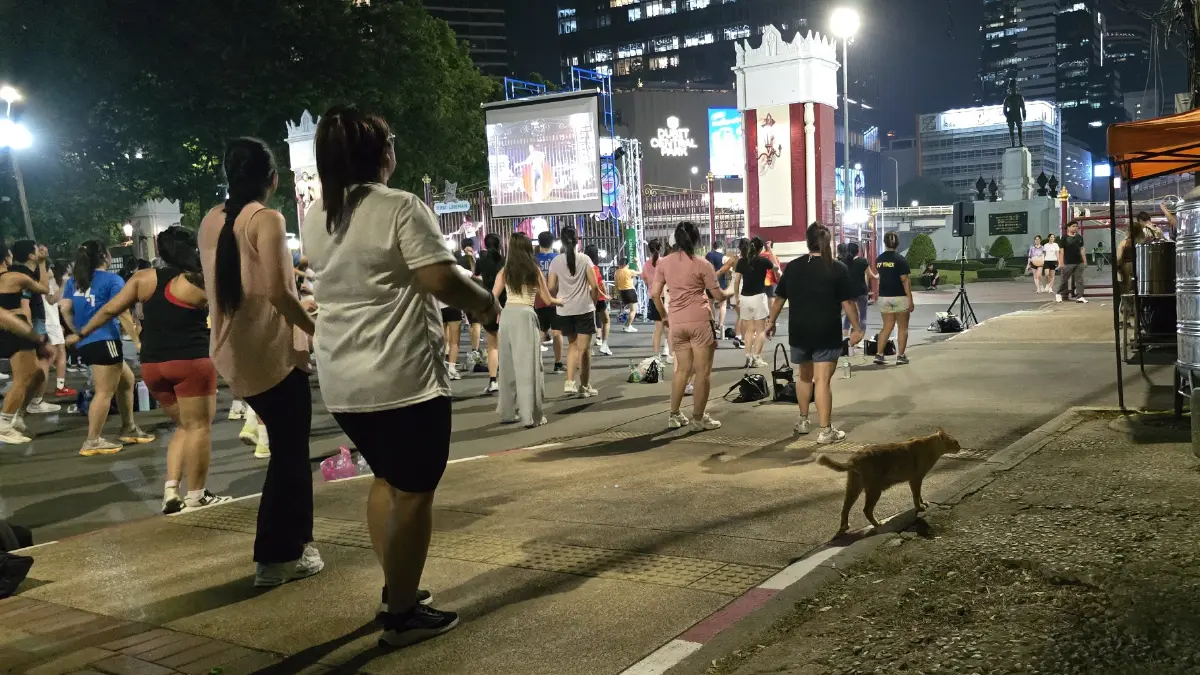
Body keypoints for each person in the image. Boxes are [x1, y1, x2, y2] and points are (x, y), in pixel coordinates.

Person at [301, 107, 500, 647]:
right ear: (381, 153)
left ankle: (398, 589)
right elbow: (439, 277)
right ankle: (402, 616)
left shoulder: (317, 215)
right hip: (401, 379)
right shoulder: (399, 207)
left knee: (386, 480)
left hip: (344, 379)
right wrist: (485, 305)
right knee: (414, 492)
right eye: (391, 141)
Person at [199, 137, 318, 588]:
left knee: (289, 453)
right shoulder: (267, 220)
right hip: (272, 353)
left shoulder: (211, 220)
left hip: (231, 350)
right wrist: (314, 327)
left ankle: (299, 545)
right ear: (272, 179)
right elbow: (280, 292)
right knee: (290, 456)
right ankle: (277, 555)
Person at [68, 227, 229, 513]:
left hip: (153, 366)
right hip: (189, 361)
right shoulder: (200, 281)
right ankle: (197, 495)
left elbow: (108, 311)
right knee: (199, 427)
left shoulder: (142, 278)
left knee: (184, 426)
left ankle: (170, 492)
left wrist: (80, 335)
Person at [767, 223, 863, 444]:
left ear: (807, 240)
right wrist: (857, 328)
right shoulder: (837, 268)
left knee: (803, 377)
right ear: (827, 242)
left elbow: (780, 298)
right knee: (821, 381)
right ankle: (826, 431)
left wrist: (770, 322)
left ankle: (803, 421)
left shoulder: (793, 267)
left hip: (799, 331)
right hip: (826, 331)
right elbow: (848, 302)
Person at [60, 241, 155, 455]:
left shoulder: (75, 281)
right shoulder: (113, 280)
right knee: (104, 392)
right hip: (106, 340)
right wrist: (137, 341)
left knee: (127, 380)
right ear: (104, 256)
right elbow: (120, 312)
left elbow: (65, 308)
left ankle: (128, 427)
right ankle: (92, 440)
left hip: (87, 342)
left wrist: (78, 330)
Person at [653, 221, 731, 431]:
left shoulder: (663, 263)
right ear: (696, 240)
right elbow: (718, 295)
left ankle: (674, 414)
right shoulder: (702, 264)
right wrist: (733, 289)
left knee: (681, 371)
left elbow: (654, 294)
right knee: (703, 372)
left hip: (676, 321)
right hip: (699, 321)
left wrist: (665, 316)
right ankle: (698, 418)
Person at [493, 232, 561, 427]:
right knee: (529, 365)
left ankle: (507, 412)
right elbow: (547, 300)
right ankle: (531, 416)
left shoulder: (505, 271)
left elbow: (493, 297)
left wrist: (501, 312)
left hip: (507, 316)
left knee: (507, 365)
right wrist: (561, 302)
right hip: (526, 314)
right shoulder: (534, 270)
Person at [0, 245, 51, 443]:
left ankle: (17, 416)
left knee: (37, 374)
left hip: (7, 330)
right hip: (16, 329)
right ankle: (4, 423)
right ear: (5, 258)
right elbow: (44, 288)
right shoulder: (15, 277)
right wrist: (42, 263)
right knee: (23, 377)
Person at [8, 241, 60, 416]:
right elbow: (26, 302)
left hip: (32, 321)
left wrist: (42, 263)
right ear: (30, 255)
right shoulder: (21, 275)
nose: (41, 250)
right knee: (31, 369)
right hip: (30, 323)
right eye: (37, 249)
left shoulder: (29, 272)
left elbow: (44, 287)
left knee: (37, 365)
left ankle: (29, 404)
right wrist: (29, 329)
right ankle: (27, 405)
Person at [548, 226, 601, 397]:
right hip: (584, 308)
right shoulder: (585, 259)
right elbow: (594, 286)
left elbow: (551, 287)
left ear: (561, 241)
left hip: (564, 309)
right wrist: (591, 302)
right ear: (578, 240)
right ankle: (584, 386)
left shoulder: (555, 261)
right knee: (584, 350)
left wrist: (560, 298)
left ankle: (570, 381)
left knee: (572, 345)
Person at [733, 237, 776, 368]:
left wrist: (736, 297)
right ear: (760, 249)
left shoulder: (741, 261)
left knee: (749, 330)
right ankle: (756, 357)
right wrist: (770, 251)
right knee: (761, 330)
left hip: (745, 298)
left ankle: (748, 356)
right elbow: (776, 267)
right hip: (758, 297)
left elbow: (736, 281)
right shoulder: (763, 261)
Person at [874, 231, 914, 366]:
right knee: (902, 327)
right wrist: (910, 299)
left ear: (885, 243)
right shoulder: (900, 260)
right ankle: (900, 356)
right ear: (897, 243)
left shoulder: (879, 259)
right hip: (899, 296)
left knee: (887, 326)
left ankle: (879, 354)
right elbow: (905, 280)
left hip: (884, 297)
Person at [474, 233, 505, 395]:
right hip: (506, 305)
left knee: (492, 345)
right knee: (507, 345)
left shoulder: (481, 262)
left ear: (485, 245)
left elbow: (475, 278)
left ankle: (493, 381)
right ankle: (509, 379)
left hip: (488, 305)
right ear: (500, 244)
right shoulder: (504, 262)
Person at [44, 261, 77, 398]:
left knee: (51, 355)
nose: (51, 269)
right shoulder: (45, 284)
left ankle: (37, 387)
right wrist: (64, 283)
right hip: (50, 323)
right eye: (49, 267)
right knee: (58, 354)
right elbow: (54, 301)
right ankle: (59, 387)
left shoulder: (41, 284)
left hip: (51, 322)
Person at [534, 231, 565, 373]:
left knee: (540, 331)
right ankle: (558, 364)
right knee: (557, 332)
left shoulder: (533, 259)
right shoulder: (558, 258)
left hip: (539, 299)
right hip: (556, 299)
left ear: (539, 242)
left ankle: (533, 363)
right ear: (552, 243)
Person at [456, 239, 484, 372]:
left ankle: (475, 351)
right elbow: (478, 277)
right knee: (476, 324)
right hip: (475, 295)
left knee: (473, 324)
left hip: (462, 296)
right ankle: (475, 354)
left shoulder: (459, 261)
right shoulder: (474, 260)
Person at [839, 242, 872, 350]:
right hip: (861, 291)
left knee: (849, 315)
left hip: (849, 292)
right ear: (858, 251)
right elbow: (870, 275)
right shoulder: (863, 261)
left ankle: (845, 338)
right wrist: (878, 276)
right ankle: (858, 340)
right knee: (863, 316)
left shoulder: (843, 262)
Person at [644, 240, 672, 363]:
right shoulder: (665, 263)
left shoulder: (646, 264)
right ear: (660, 248)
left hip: (653, 297)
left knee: (658, 329)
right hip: (665, 296)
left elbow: (645, 280)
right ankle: (669, 352)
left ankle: (656, 355)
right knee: (669, 328)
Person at [584, 244, 612, 356]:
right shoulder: (595, 268)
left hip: (586, 298)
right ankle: (604, 344)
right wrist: (605, 295)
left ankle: (589, 348)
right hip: (598, 298)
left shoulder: (583, 266)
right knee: (606, 320)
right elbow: (599, 284)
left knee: (590, 322)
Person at [1055, 221, 1088, 303]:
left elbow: (1082, 250)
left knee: (1079, 280)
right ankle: (1058, 294)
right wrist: (1061, 263)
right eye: (1073, 226)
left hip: (1079, 262)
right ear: (1069, 227)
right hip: (1067, 263)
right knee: (1064, 280)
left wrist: (1085, 261)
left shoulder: (1079, 237)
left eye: (1076, 226)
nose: (1075, 228)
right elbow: (1061, 252)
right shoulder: (1064, 238)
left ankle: (1079, 297)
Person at [705, 241, 732, 334]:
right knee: (723, 305)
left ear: (713, 247)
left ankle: (713, 323)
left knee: (710, 304)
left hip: (709, 283)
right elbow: (730, 270)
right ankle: (720, 325)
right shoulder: (724, 257)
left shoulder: (708, 255)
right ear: (722, 247)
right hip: (721, 284)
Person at [614, 257, 640, 332]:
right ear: (627, 264)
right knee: (633, 310)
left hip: (622, 292)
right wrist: (636, 263)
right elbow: (640, 272)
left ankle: (627, 325)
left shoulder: (617, 272)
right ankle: (628, 326)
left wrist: (618, 294)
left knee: (630, 309)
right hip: (630, 291)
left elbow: (616, 284)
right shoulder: (629, 271)